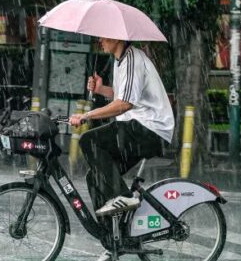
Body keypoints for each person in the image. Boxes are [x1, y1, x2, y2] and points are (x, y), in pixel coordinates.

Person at [69, 37, 174, 221]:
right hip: (136, 127)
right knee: (95, 179)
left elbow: (124, 104)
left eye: (103, 35)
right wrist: (101, 90)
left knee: (89, 140)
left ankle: (125, 198)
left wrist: (87, 115)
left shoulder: (133, 59)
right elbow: (123, 95)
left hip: (149, 128)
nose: (100, 40)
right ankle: (114, 238)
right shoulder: (121, 60)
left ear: (117, 37)